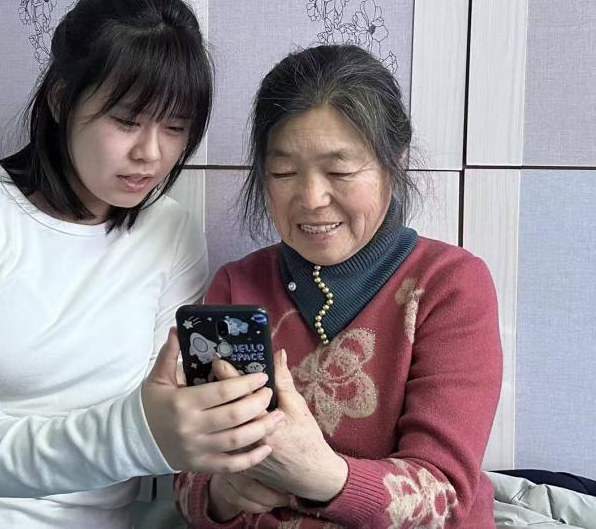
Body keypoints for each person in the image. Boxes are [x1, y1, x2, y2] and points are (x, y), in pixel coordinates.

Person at [0, 0, 283, 529]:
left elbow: (171, 416)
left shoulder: (172, 231)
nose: (151, 154)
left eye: (175, 127)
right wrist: (141, 433)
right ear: (62, 100)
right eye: (126, 121)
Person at [176, 44, 503, 528]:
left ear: (395, 162)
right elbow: (189, 478)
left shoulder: (449, 285)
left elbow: (446, 497)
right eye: (284, 172)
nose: (311, 198)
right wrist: (224, 493)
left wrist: (321, 476)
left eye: (340, 171)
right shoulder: (235, 286)